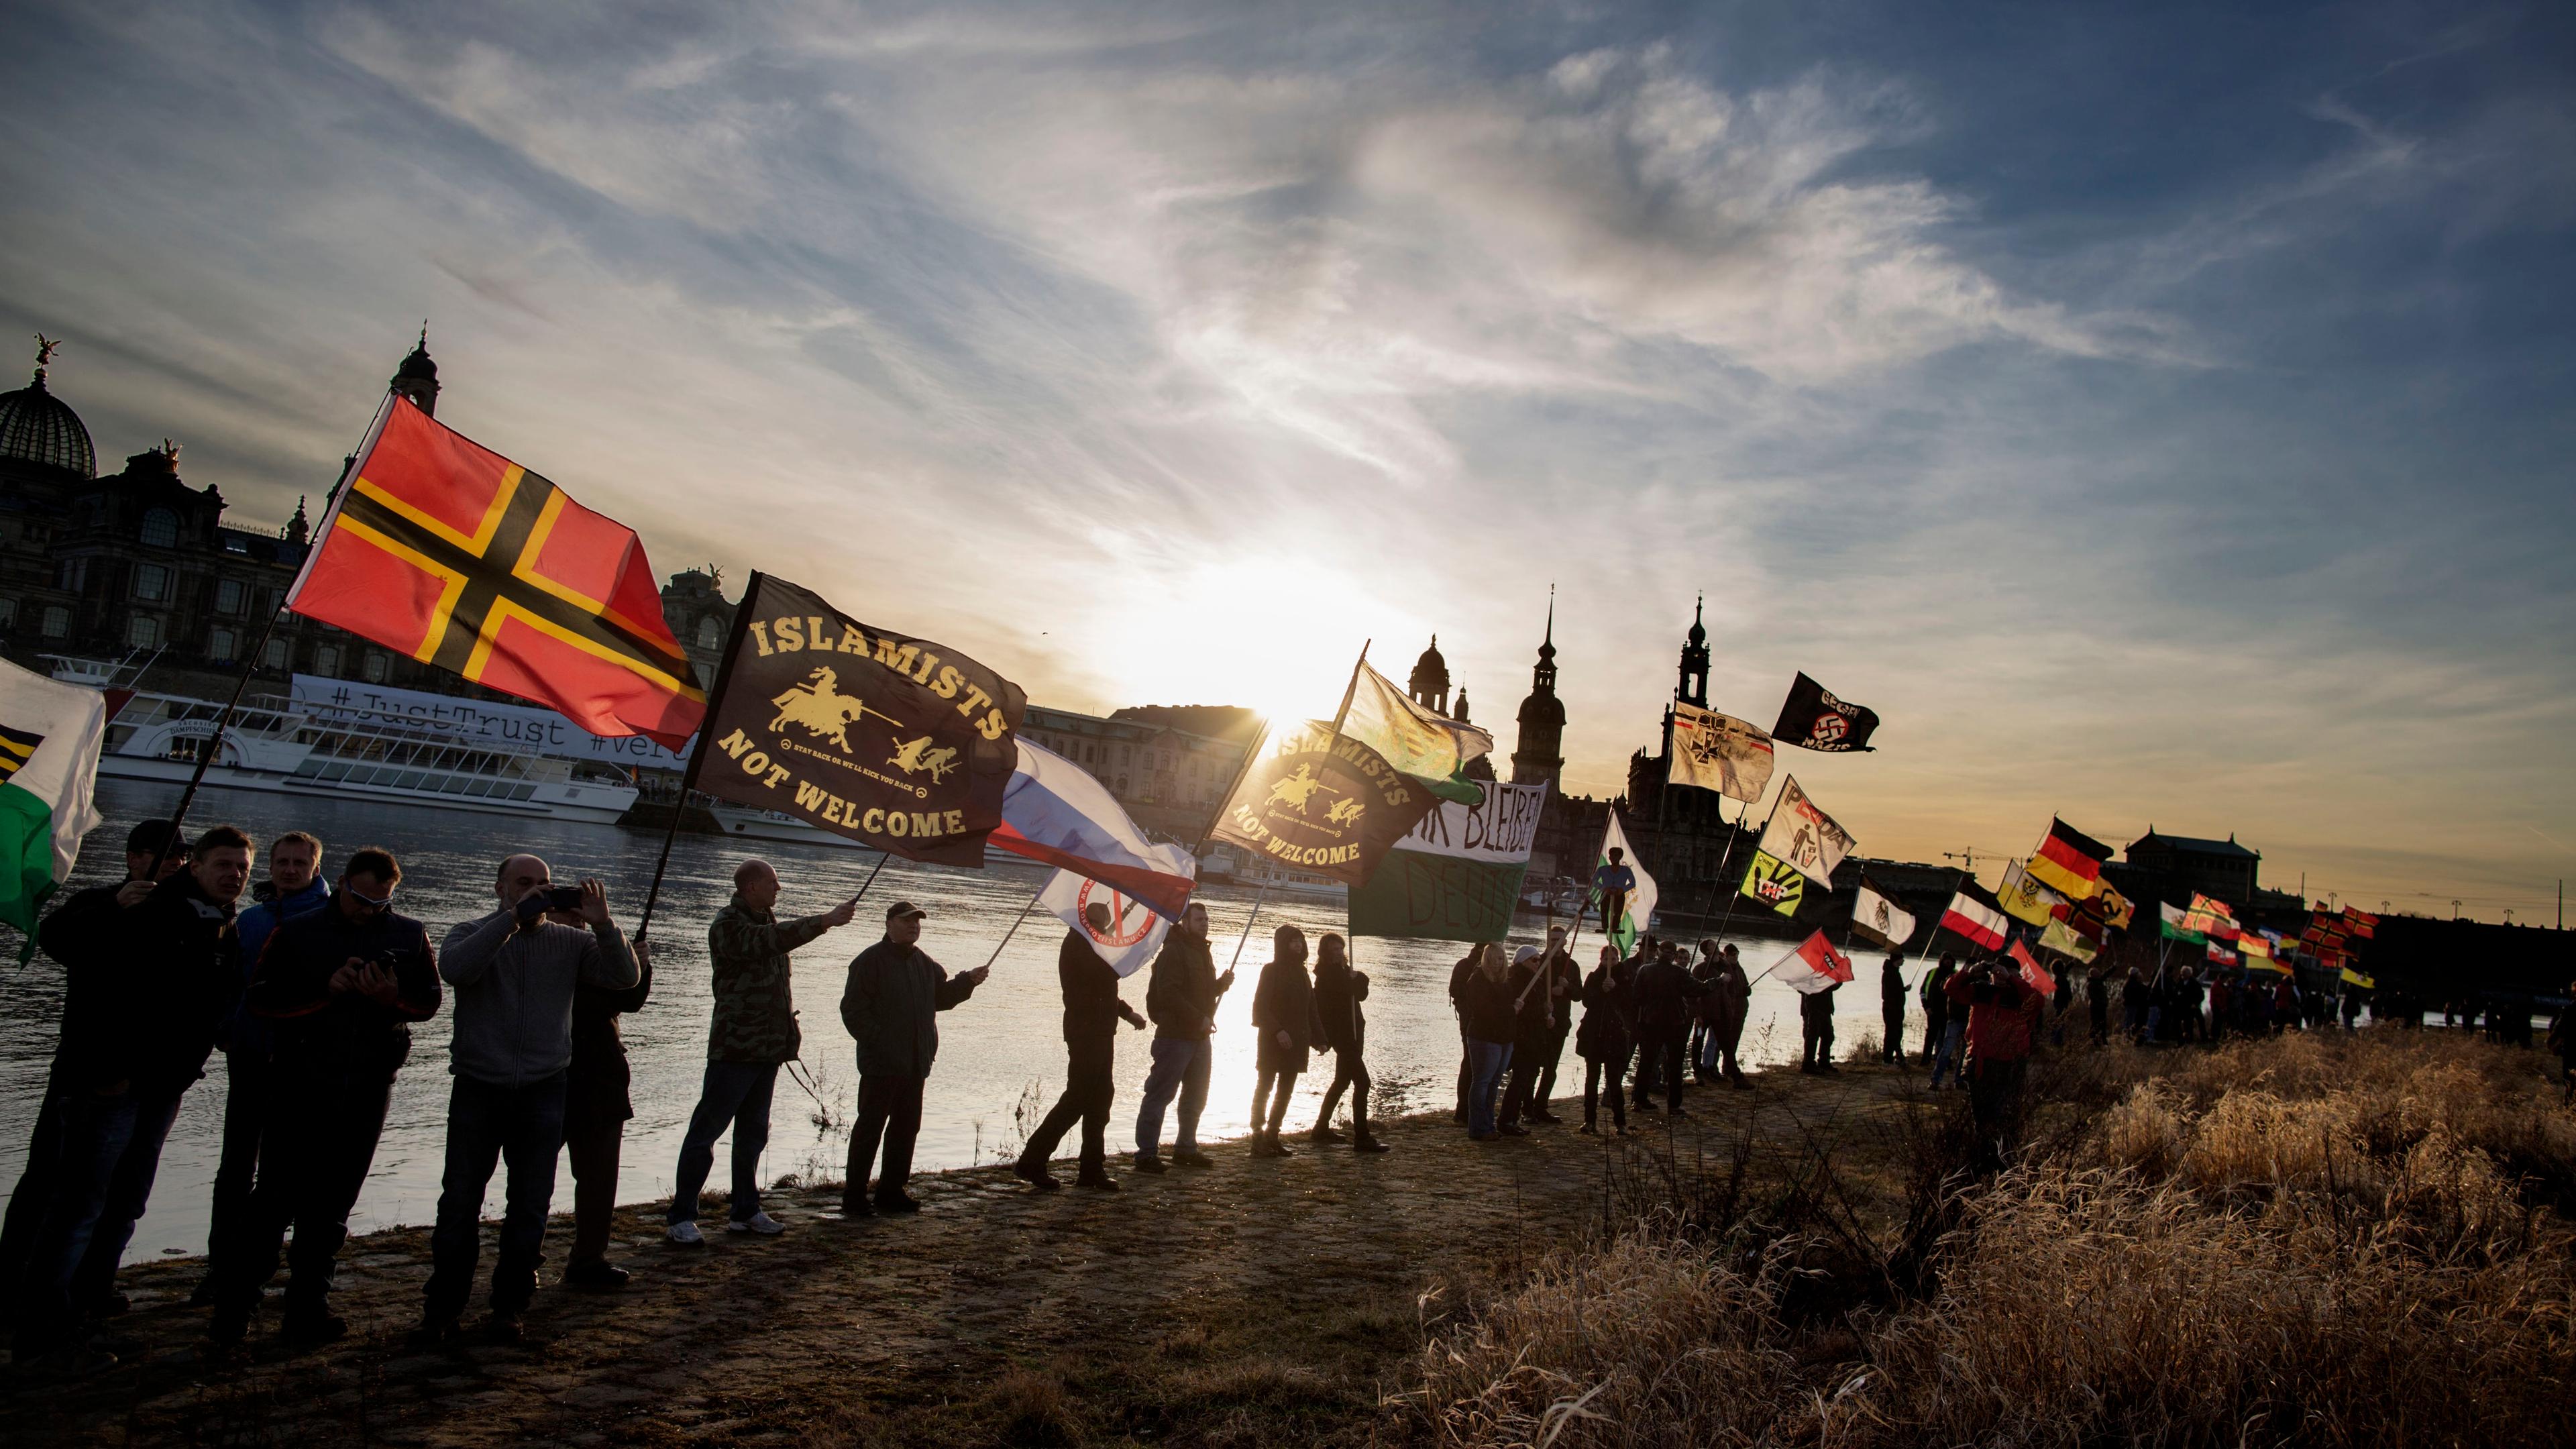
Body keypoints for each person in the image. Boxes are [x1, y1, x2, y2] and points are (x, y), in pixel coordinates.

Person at [13, 824, 249, 1372]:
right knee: (77, 1207)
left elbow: (210, 1004)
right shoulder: (147, 910)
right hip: (109, 1086)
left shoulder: (222, 923)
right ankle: (41, 1334)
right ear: (196, 867)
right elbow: (96, 982)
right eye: (222, 864)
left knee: (124, 1204)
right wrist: (109, 1072)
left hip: (162, 1088)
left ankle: (83, 1309)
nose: (233, 875)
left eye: (240, 866)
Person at [209, 847, 437, 1347]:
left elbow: (428, 1004)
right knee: (272, 1199)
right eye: (359, 898)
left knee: (333, 1205)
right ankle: (234, 1311)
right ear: (341, 883)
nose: (368, 910)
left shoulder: (408, 932)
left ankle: (308, 1307)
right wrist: (325, 990)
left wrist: (388, 1000)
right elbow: (261, 999)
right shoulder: (297, 930)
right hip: (299, 1082)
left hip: (369, 1084)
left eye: (380, 902)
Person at [415, 857, 637, 1346]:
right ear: (500, 888)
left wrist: (605, 925)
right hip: (478, 1084)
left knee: (530, 1205)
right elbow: (456, 970)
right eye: (524, 883)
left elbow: (625, 979)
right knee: (459, 1202)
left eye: (544, 884)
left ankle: (510, 1306)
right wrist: (511, 920)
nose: (536, 891)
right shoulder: (469, 932)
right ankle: (442, 1308)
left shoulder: (572, 942)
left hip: (543, 1086)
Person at [0, 819, 185, 1326]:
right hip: (82, 1068)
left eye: (179, 857)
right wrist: (114, 908)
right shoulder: (101, 900)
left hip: (151, 1079)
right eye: (162, 854)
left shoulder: (185, 912)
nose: (173, 863)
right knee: (48, 1178)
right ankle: (11, 1279)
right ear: (133, 857)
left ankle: (90, 1284)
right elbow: (56, 940)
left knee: (123, 1189)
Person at [668, 861, 858, 1243]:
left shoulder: (765, 919)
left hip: (767, 1049)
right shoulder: (728, 925)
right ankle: (681, 1217)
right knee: (706, 1132)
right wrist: (824, 921)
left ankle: (745, 1211)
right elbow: (766, 942)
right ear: (751, 886)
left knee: (752, 1135)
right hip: (734, 1050)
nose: (779, 888)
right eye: (773, 882)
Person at [196, 828, 327, 1306]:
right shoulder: (248, 921)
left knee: (283, 1168)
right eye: (282, 862)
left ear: (315, 868)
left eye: (300, 863)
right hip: (249, 1055)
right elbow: (229, 982)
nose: (290, 870)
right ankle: (221, 1265)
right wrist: (226, 1029)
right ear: (270, 868)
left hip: (302, 1062)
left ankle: (260, 1264)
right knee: (235, 1166)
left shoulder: (326, 919)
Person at [840, 902, 985, 1214]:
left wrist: (967, 981)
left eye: (917, 921)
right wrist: (879, 1042)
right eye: (907, 920)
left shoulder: (925, 963)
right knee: (870, 1128)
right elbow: (852, 1011)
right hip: (881, 1063)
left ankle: (891, 1191)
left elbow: (941, 999)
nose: (914, 926)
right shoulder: (869, 961)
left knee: (906, 1128)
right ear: (889, 924)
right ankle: (854, 1196)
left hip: (916, 1061)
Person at [1016, 902, 1149, 1191]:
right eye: (1101, 921)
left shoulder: (1092, 943)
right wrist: (1123, 953)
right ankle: (1033, 1160)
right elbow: (1103, 975)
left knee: (1100, 1100)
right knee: (1078, 1098)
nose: (1104, 925)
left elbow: (1103, 989)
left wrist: (1127, 1014)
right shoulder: (1079, 943)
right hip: (1086, 1032)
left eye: (1104, 921)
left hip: (1100, 1030)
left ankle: (1091, 1169)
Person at [562, 924, 651, 1289]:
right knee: (532, 1180)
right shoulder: (549, 952)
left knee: (599, 1178)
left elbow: (629, 1001)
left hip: (602, 1078)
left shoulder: (605, 951)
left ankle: (589, 1258)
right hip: (551, 1077)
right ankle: (525, 1260)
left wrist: (641, 967)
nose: (576, 919)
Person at [1134, 902, 1231, 1173]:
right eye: (1199, 919)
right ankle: (1146, 1154)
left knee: (1196, 1095)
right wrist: (1198, 1018)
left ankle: (1186, 1148)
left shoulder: (1202, 953)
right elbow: (1169, 995)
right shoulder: (1173, 952)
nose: (1204, 924)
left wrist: (1220, 986)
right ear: (1184, 923)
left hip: (1199, 1038)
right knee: (1160, 1094)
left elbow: (1199, 992)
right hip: (1174, 1037)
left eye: (1206, 920)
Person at [1945, 955, 2047, 1166]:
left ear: (2017, 975)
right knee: (1982, 1120)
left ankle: (2005, 1162)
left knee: (2006, 1118)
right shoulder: (1981, 991)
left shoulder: (2022, 996)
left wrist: (2011, 980)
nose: (1999, 978)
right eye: (1997, 974)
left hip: (2009, 1065)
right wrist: (1969, 972)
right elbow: (1951, 989)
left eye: (2005, 974)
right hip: (1978, 1063)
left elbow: (2039, 1002)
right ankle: (1984, 1160)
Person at [1309, 933, 1388, 1152]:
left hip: (1353, 1033)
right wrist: (1357, 978)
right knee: (1363, 1083)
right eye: (1333, 950)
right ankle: (1362, 1137)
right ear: (1325, 952)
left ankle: (1320, 1129)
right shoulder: (1326, 975)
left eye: (1340, 949)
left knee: (1342, 1082)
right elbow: (1349, 990)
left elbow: (1361, 994)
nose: (1338, 953)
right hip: (1343, 1037)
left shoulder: (1344, 972)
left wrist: (1356, 977)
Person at [1248, 925, 1322, 1157]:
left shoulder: (1303, 973)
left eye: (1300, 940)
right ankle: (1257, 1137)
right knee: (1265, 1087)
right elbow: (1260, 1007)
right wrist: (1278, 1031)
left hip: (1298, 1040)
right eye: (1293, 941)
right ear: (1282, 944)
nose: (1298, 944)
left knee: (1286, 1090)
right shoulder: (1271, 970)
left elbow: (1312, 1009)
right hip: (1273, 1040)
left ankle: (1273, 1135)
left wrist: (1320, 1039)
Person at [1632, 940, 1707, 1114]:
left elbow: (1637, 998)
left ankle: (1639, 1101)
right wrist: (1718, 980)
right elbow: (1699, 989)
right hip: (1675, 1024)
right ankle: (1673, 1105)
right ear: (1673, 955)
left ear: (1658, 952)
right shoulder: (1680, 973)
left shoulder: (1645, 970)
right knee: (1674, 1065)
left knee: (1646, 1062)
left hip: (1651, 1023)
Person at [1457, 944, 1517, 1141]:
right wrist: (1511, 1010)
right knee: (1482, 1082)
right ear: (1485, 960)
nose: (1497, 963)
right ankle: (1477, 1128)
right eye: (1492, 959)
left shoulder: (1505, 982)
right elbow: (1485, 1010)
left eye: (1500, 959)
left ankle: (1488, 1124)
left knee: (1494, 1083)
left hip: (1503, 1038)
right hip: (1484, 1037)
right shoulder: (1477, 980)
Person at [1574, 945, 1635, 1134]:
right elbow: (1586, 1001)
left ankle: (1621, 1123)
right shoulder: (1594, 977)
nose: (1610, 962)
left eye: (1613, 959)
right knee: (1591, 1080)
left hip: (1614, 1036)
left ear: (1618, 960)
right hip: (1594, 1035)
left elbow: (1629, 1003)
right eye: (1606, 959)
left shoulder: (1625, 979)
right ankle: (1590, 1121)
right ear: (1601, 960)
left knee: (1614, 1080)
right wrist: (1601, 990)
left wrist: (1616, 989)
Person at [1497, 945, 1558, 1132]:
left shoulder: (1536, 982)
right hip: (1521, 1038)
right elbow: (1519, 1013)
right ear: (1522, 961)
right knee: (1520, 1079)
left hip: (1535, 1037)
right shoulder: (1515, 981)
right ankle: (1507, 1120)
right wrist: (1542, 1011)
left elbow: (1537, 1010)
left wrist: (1548, 1018)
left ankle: (1513, 1118)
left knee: (1528, 1078)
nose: (1538, 963)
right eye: (1534, 960)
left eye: (1539, 960)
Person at [1526, 927, 1581, 1118]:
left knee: (1551, 1069)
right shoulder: (1539, 962)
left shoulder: (1572, 965)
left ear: (1565, 941)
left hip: (1561, 1023)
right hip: (1539, 1022)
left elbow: (1579, 995)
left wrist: (1567, 987)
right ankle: (1527, 1108)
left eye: (1560, 939)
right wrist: (1550, 991)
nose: (1556, 943)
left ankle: (1541, 1106)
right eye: (1553, 939)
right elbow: (1529, 990)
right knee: (1532, 1067)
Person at [1705, 944, 1752, 1088]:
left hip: (1739, 1011)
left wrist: (1747, 990)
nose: (1735, 956)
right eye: (1731, 954)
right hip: (1726, 1011)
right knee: (1720, 1042)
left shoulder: (1739, 969)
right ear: (1725, 955)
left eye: (1736, 954)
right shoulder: (1723, 969)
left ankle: (1728, 1069)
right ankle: (1712, 1067)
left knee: (1733, 1041)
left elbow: (1744, 985)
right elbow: (1727, 989)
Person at [1927, 955, 1970, 1089]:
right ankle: (1936, 1080)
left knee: (1964, 1054)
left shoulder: (1977, 983)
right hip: (1954, 1020)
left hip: (1968, 1021)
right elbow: (1945, 987)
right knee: (1946, 1050)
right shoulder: (1956, 977)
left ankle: (1959, 1080)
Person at [1920, 953, 1955, 1068]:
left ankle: (1946, 1062)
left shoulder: (1956, 974)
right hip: (1933, 1011)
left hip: (1949, 1013)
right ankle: (1925, 1060)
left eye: (1950, 960)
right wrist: (1926, 1007)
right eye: (1946, 960)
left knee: (1947, 1038)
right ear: (1941, 961)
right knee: (1930, 1036)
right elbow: (1923, 991)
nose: (1948, 962)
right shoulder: (1932, 973)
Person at [1799, 975, 1839, 1074]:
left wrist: (1837, 982)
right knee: (1812, 1036)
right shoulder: (1807, 970)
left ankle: (1824, 1061)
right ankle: (1808, 1064)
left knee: (1828, 1036)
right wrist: (1835, 983)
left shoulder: (1825, 970)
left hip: (1825, 1007)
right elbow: (1800, 987)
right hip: (1812, 1007)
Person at [1592, 849, 1635, 940]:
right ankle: (1605, 927)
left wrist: (1622, 889)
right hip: (1606, 893)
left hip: (1619, 894)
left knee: (1618, 912)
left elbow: (1633, 883)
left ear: (1620, 857)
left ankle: (1615, 927)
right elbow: (1594, 881)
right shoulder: (1602, 870)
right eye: (1612, 856)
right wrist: (1604, 888)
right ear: (1609, 857)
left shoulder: (1626, 870)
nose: (1614, 858)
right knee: (1604, 911)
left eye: (1616, 856)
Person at [2547, 979, 2576, 1104]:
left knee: (2570, 1080)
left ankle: (2570, 1106)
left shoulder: (2569, 1010)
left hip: (2572, 1050)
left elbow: (2558, 1029)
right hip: (2570, 1049)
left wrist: (2551, 1043)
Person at [1878, 953, 1907, 1064]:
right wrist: (1901, 991)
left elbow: (1895, 989)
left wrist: (1903, 989)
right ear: (1897, 960)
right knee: (1892, 1033)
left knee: (1896, 1033)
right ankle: (1889, 1058)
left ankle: (1895, 1057)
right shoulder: (1890, 973)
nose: (1903, 961)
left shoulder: (1893, 971)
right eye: (1902, 959)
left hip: (1896, 1008)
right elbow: (1890, 992)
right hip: (1892, 1009)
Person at [2086, 962, 2113, 1046]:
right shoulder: (2091, 985)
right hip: (2096, 1008)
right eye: (2098, 973)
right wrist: (2102, 1003)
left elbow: (2106, 974)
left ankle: (2103, 1041)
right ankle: (2093, 1040)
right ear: (2093, 975)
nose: (2100, 973)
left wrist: (2114, 967)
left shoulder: (2098, 981)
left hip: (2101, 1007)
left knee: (2103, 1024)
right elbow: (2094, 998)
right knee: (2095, 1024)